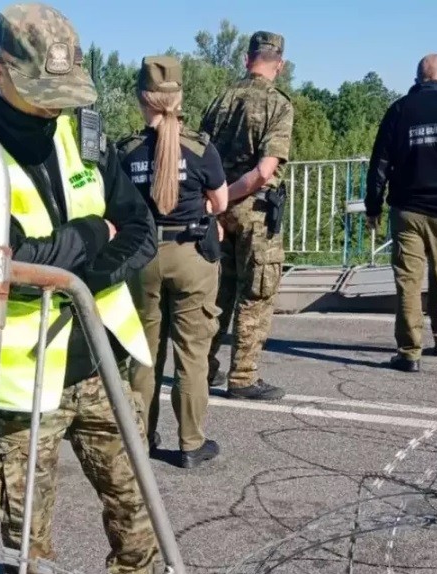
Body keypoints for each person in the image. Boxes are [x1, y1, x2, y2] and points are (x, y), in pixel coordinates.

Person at [0, 4, 162, 573]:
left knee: (139, 515)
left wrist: (72, 275)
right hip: (22, 388)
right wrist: (95, 232)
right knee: (27, 549)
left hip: (99, 364)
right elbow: (9, 267)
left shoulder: (84, 134)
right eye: (40, 88)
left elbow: (141, 230)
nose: (56, 104)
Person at [117, 56, 228, 469]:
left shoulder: (125, 151)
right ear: (179, 98)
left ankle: (140, 441)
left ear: (141, 99)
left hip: (142, 257)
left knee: (143, 354)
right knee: (192, 354)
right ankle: (190, 443)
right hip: (192, 255)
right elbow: (220, 203)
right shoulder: (200, 148)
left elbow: (117, 208)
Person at [199, 31, 294, 400]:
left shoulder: (220, 100)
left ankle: (202, 369)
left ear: (247, 58)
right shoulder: (278, 105)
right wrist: (233, 195)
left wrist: (215, 202)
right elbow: (264, 172)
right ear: (279, 64)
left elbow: (200, 156)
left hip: (217, 212)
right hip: (254, 211)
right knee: (256, 293)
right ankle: (243, 376)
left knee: (217, 294)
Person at [365, 53, 437, 372]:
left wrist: (373, 206)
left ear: (418, 78)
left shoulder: (400, 109)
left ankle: (409, 352)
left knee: (408, 281)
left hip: (408, 210)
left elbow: (379, 164)